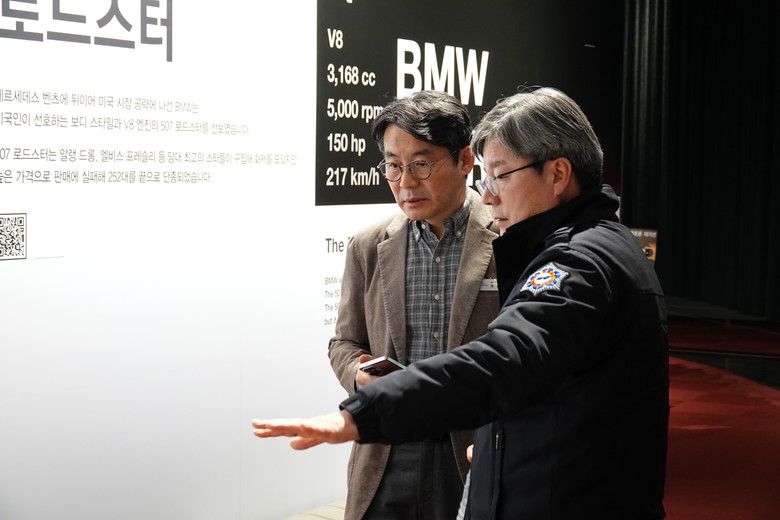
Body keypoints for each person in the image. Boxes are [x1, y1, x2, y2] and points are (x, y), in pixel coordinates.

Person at [253, 87, 669, 519]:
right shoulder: (591, 245)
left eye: (500, 176)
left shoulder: (570, 260)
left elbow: (504, 360)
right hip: (444, 459)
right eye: (393, 166)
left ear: (557, 173)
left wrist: (363, 415)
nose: (489, 195)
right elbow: (547, 381)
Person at [327, 90, 501, 519]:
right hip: (387, 452)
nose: (405, 182)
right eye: (393, 165)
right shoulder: (368, 245)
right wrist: (358, 376)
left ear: (465, 160)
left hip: (471, 450)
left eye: (421, 164)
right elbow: (344, 343)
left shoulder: (506, 239)